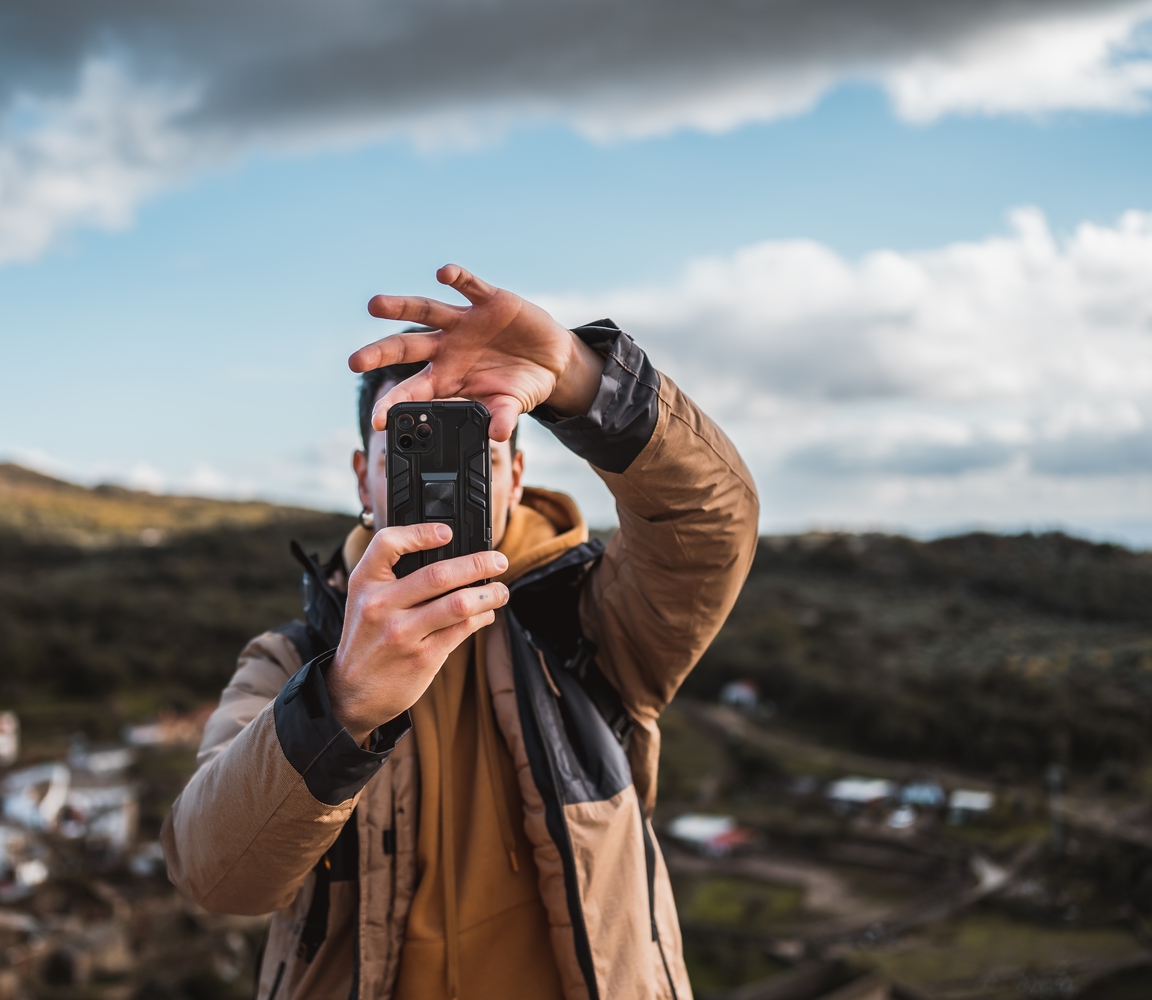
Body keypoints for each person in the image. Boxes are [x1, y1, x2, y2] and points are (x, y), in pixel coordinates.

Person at [162, 265, 759, 1000]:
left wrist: (582, 377)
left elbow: (710, 522)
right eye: (408, 451)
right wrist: (340, 704)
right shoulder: (289, 661)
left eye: (478, 450)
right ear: (363, 477)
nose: (443, 483)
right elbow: (215, 875)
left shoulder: (595, 619)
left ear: (517, 473)